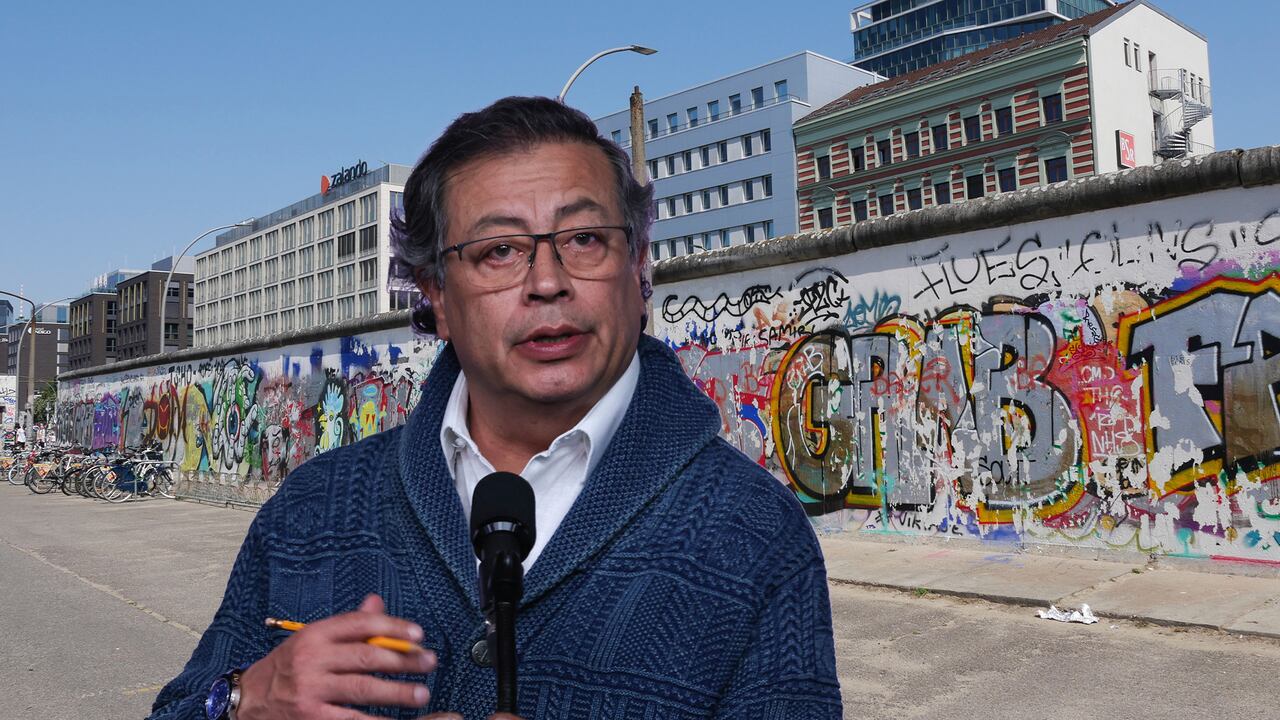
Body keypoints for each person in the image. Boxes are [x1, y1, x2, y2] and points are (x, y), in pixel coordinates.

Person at [149, 97, 840, 720]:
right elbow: (184, 707)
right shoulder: (313, 508)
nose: (547, 281)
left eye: (585, 239)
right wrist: (242, 701)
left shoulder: (753, 536)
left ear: (639, 269)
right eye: (500, 250)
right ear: (437, 296)